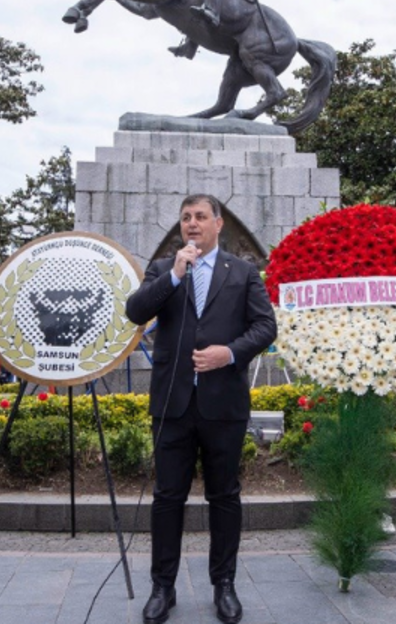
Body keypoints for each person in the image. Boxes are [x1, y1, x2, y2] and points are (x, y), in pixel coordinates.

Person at [125, 194, 276, 624]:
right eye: (186, 218)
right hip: (172, 406)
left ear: (218, 223)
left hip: (222, 404)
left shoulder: (243, 272)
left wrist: (228, 354)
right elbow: (134, 311)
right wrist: (173, 275)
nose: (192, 224)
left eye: (200, 217)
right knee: (167, 498)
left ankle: (224, 585)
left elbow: (266, 326)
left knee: (224, 496)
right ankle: (162, 588)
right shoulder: (163, 270)